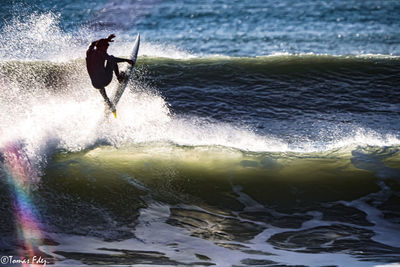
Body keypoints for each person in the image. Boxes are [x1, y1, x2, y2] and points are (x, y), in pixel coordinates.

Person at [86, 34, 133, 113]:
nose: (106, 50)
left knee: (98, 81)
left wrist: (106, 39)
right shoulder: (101, 53)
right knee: (112, 60)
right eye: (106, 48)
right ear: (101, 47)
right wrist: (126, 60)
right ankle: (119, 78)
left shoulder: (89, 52)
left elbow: (92, 43)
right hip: (105, 80)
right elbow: (112, 60)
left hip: (95, 84)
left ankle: (106, 101)